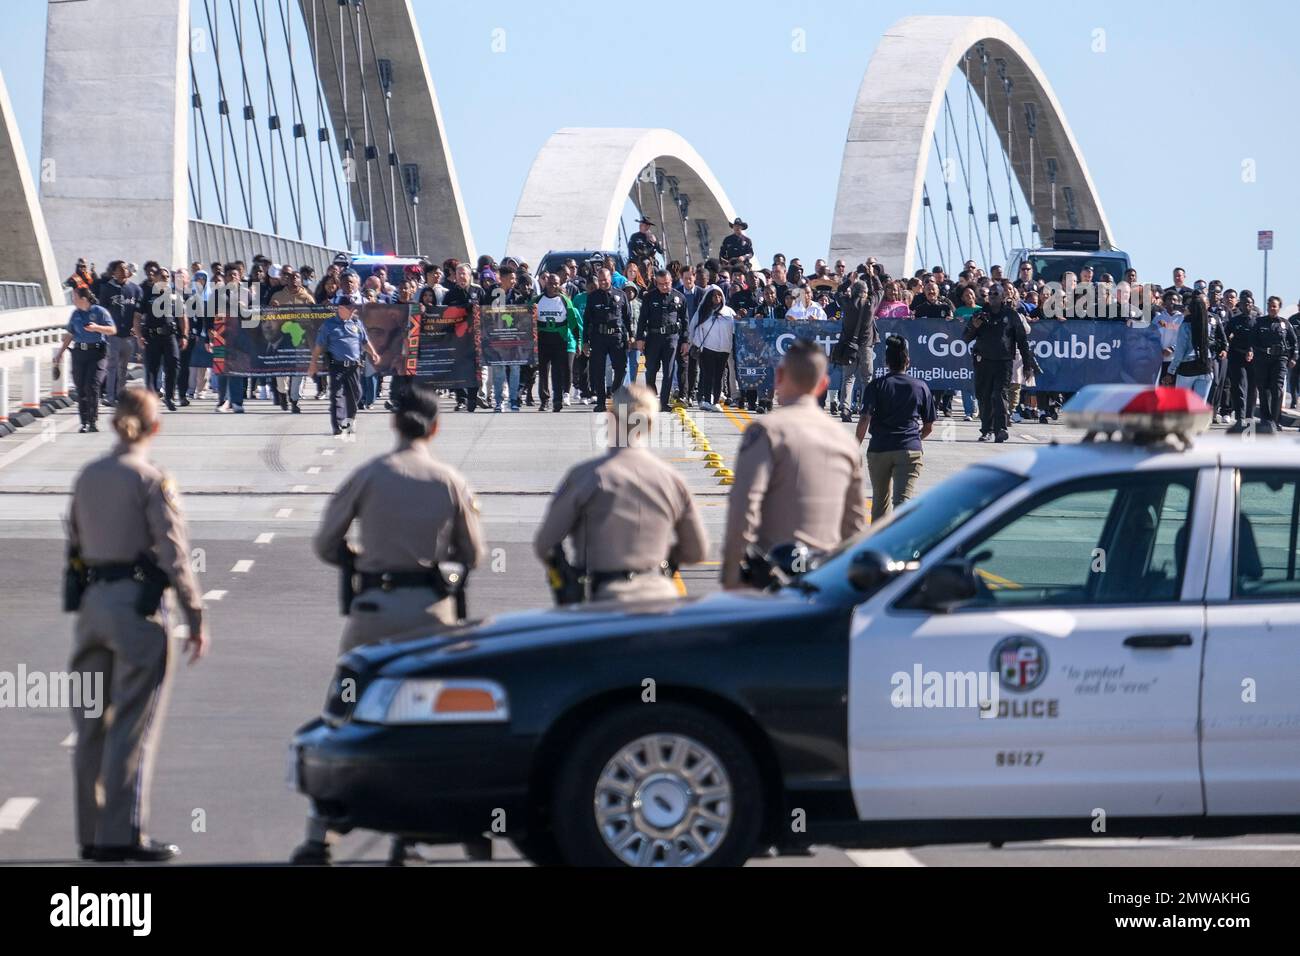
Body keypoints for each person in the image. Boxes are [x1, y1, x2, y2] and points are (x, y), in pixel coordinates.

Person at [294, 382, 485, 867]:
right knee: (429, 727)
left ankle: (321, 832)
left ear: (393, 424)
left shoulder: (369, 475)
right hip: (430, 617)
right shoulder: (448, 480)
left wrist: (360, 559)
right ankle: (417, 834)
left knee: (344, 716)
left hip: (373, 612)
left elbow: (325, 543)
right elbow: (474, 554)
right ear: (435, 427)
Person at [65, 389, 208, 862]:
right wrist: (195, 615)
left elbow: (74, 539)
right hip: (135, 609)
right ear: (154, 427)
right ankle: (123, 835)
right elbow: (173, 553)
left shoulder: (87, 475)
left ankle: (91, 832)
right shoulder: (152, 478)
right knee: (131, 724)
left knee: (90, 725)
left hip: (92, 606)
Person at [533, 384, 707, 602]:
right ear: (651, 424)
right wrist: (662, 559)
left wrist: (567, 575)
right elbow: (697, 550)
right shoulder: (672, 480)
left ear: (611, 417)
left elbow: (545, 543)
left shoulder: (586, 476)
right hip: (661, 600)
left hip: (607, 600)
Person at [721, 339, 866, 589]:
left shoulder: (767, 431)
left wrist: (732, 575)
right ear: (823, 385)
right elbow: (854, 525)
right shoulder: (845, 441)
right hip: (825, 580)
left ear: (779, 376)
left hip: (773, 578)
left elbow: (744, 505)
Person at [856, 335, 935, 522]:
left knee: (879, 503)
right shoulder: (920, 386)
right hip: (909, 448)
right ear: (907, 361)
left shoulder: (876, 385)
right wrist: (915, 438)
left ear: (886, 362)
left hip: (879, 448)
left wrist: (855, 446)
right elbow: (929, 426)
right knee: (903, 502)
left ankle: (876, 542)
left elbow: (864, 418)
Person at [963, 283, 1041, 443]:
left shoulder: (1011, 315)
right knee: (984, 396)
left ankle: (1000, 429)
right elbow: (965, 337)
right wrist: (974, 327)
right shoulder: (980, 314)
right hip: (983, 361)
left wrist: (1027, 365)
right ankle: (986, 430)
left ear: (1002, 296)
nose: (991, 296)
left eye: (995, 294)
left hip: (1003, 362)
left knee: (999, 395)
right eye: (990, 294)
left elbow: (1022, 341)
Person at [307, 300, 380, 435]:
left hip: (354, 366)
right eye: (350, 309)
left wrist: (373, 353)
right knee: (337, 395)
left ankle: (349, 421)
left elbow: (364, 341)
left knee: (355, 395)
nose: (353, 311)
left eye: (353, 309)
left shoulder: (356, 323)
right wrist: (313, 363)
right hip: (337, 366)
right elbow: (319, 345)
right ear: (340, 308)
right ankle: (338, 424)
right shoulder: (329, 325)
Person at [57, 288, 117, 432]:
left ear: (84, 298)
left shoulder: (100, 311)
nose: (73, 300)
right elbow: (70, 334)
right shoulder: (75, 314)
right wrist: (60, 353)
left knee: (92, 385)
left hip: (97, 353)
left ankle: (92, 420)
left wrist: (97, 328)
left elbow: (112, 330)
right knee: (81, 387)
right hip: (79, 353)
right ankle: (83, 422)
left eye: (75, 297)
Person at [634, 269, 689, 411]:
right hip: (653, 338)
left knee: (669, 371)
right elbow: (642, 320)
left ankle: (664, 403)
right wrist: (640, 338)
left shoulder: (680, 297)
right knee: (651, 370)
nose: (665, 286)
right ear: (656, 283)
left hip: (672, 339)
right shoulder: (649, 297)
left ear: (671, 281)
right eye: (661, 284)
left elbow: (685, 321)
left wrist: (685, 340)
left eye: (667, 283)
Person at [134, 267, 188, 411]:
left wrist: (184, 335)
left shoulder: (175, 295)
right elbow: (137, 317)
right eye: (162, 276)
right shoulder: (147, 294)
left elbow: (182, 317)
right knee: (152, 368)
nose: (165, 279)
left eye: (167, 277)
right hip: (152, 337)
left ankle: (169, 397)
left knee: (173, 365)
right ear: (155, 278)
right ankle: (150, 398)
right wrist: (139, 336)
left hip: (170, 336)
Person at [581, 267, 633, 413]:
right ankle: (601, 401)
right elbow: (587, 321)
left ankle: (615, 393)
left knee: (621, 368)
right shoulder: (592, 297)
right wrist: (585, 341)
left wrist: (631, 334)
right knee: (598, 371)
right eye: (601, 280)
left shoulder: (621, 295)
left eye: (606, 279)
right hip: (598, 337)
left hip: (617, 337)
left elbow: (627, 318)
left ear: (610, 278)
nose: (603, 282)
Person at [833, 278, 882, 422]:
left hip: (849, 347)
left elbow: (838, 292)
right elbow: (880, 290)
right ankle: (865, 409)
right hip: (866, 346)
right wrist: (872, 276)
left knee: (848, 378)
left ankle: (845, 408)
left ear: (853, 291)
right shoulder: (869, 304)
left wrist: (848, 280)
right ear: (865, 292)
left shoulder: (847, 303)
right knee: (866, 379)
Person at [533, 272, 582, 412]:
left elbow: (573, 323)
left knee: (557, 371)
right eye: (550, 283)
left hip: (560, 340)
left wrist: (578, 341)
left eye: (556, 284)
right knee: (543, 372)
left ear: (559, 285)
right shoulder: (537, 300)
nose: (553, 286)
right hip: (543, 340)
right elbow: (526, 317)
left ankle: (557, 400)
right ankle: (544, 400)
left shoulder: (565, 300)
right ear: (546, 284)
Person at [1163, 294, 1225, 402]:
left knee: (1181, 404)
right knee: (1199, 406)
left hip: (1188, 366)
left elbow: (1180, 352)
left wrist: (1170, 372)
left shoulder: (1185, 324)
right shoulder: (1208, 324)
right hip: (1206, 364)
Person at [1252, 296, 1298, 433]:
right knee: (1264, 389)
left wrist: (1293, 358)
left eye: (1275, 306)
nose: (1272, 308)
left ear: (1279, 308)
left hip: (1280, 360)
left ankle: (1275, 419)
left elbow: (1294, 342)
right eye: (1270, 305)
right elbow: (1253, 341)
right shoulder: (1259, 322)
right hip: (1263, 360)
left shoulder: (1285, 324)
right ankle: (1265, 419)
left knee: (1277, 389)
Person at [99, 261, 142, 405]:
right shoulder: (106, 289)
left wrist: (137, 329)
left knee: (123, 367)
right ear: (114, 273)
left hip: (129, 336)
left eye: (125, 268)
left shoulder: (135, 289)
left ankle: (120, 394)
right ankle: (110, 396)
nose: (123, 271)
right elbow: (102, 312)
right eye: (120, 269)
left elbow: (139, 312)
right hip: (113, 335)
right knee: (112, 366)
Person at [688, 285, 735, 411]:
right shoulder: (702, 311)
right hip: (707, 348)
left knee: (719, 376)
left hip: (724, 349)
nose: (717, 298)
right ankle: (706, 400)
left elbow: (735, 328)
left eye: (719, 295)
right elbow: (693, 328)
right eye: (714, 295)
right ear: (709, 297)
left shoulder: (728, 312)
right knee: (707, 375)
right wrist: (694, 343)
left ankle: (716, 401)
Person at [1224, 292, 1259, 432]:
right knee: (1239, 386)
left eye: (1249, 303)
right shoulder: (1234, 320)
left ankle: (1249, 417)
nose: (1247, 305)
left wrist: (1252, 350)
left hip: (1254, 358)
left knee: (1252, 388)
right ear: (1240, 305)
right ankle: (1240, 417)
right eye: (1244, 303)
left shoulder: (1258, 320)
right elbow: (1225, 336)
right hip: (1237, 356)